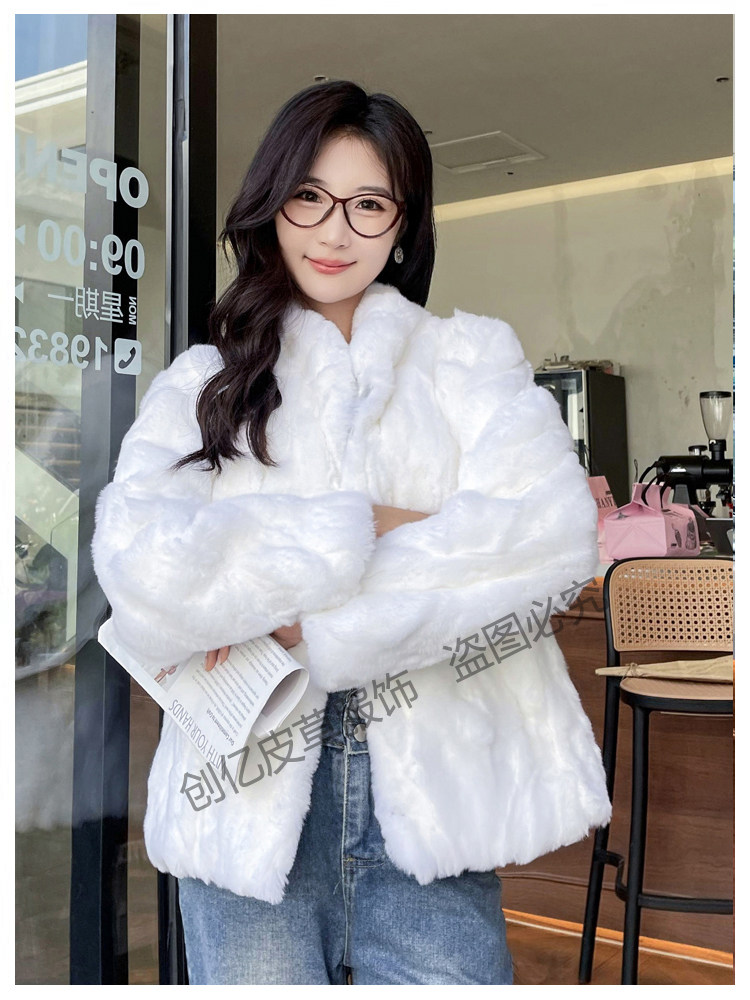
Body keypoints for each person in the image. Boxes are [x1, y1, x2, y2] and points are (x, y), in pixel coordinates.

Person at [91, 80, 611, 985]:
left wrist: (297, 607)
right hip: (245, 812)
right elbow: (145, 576)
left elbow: (548, 545)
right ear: (272, 206)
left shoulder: (468, 361)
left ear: (403, 226)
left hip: (432, 822)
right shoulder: (205, 384)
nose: (335, 232)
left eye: (369, 205)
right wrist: (369, 532)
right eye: (310, 197)